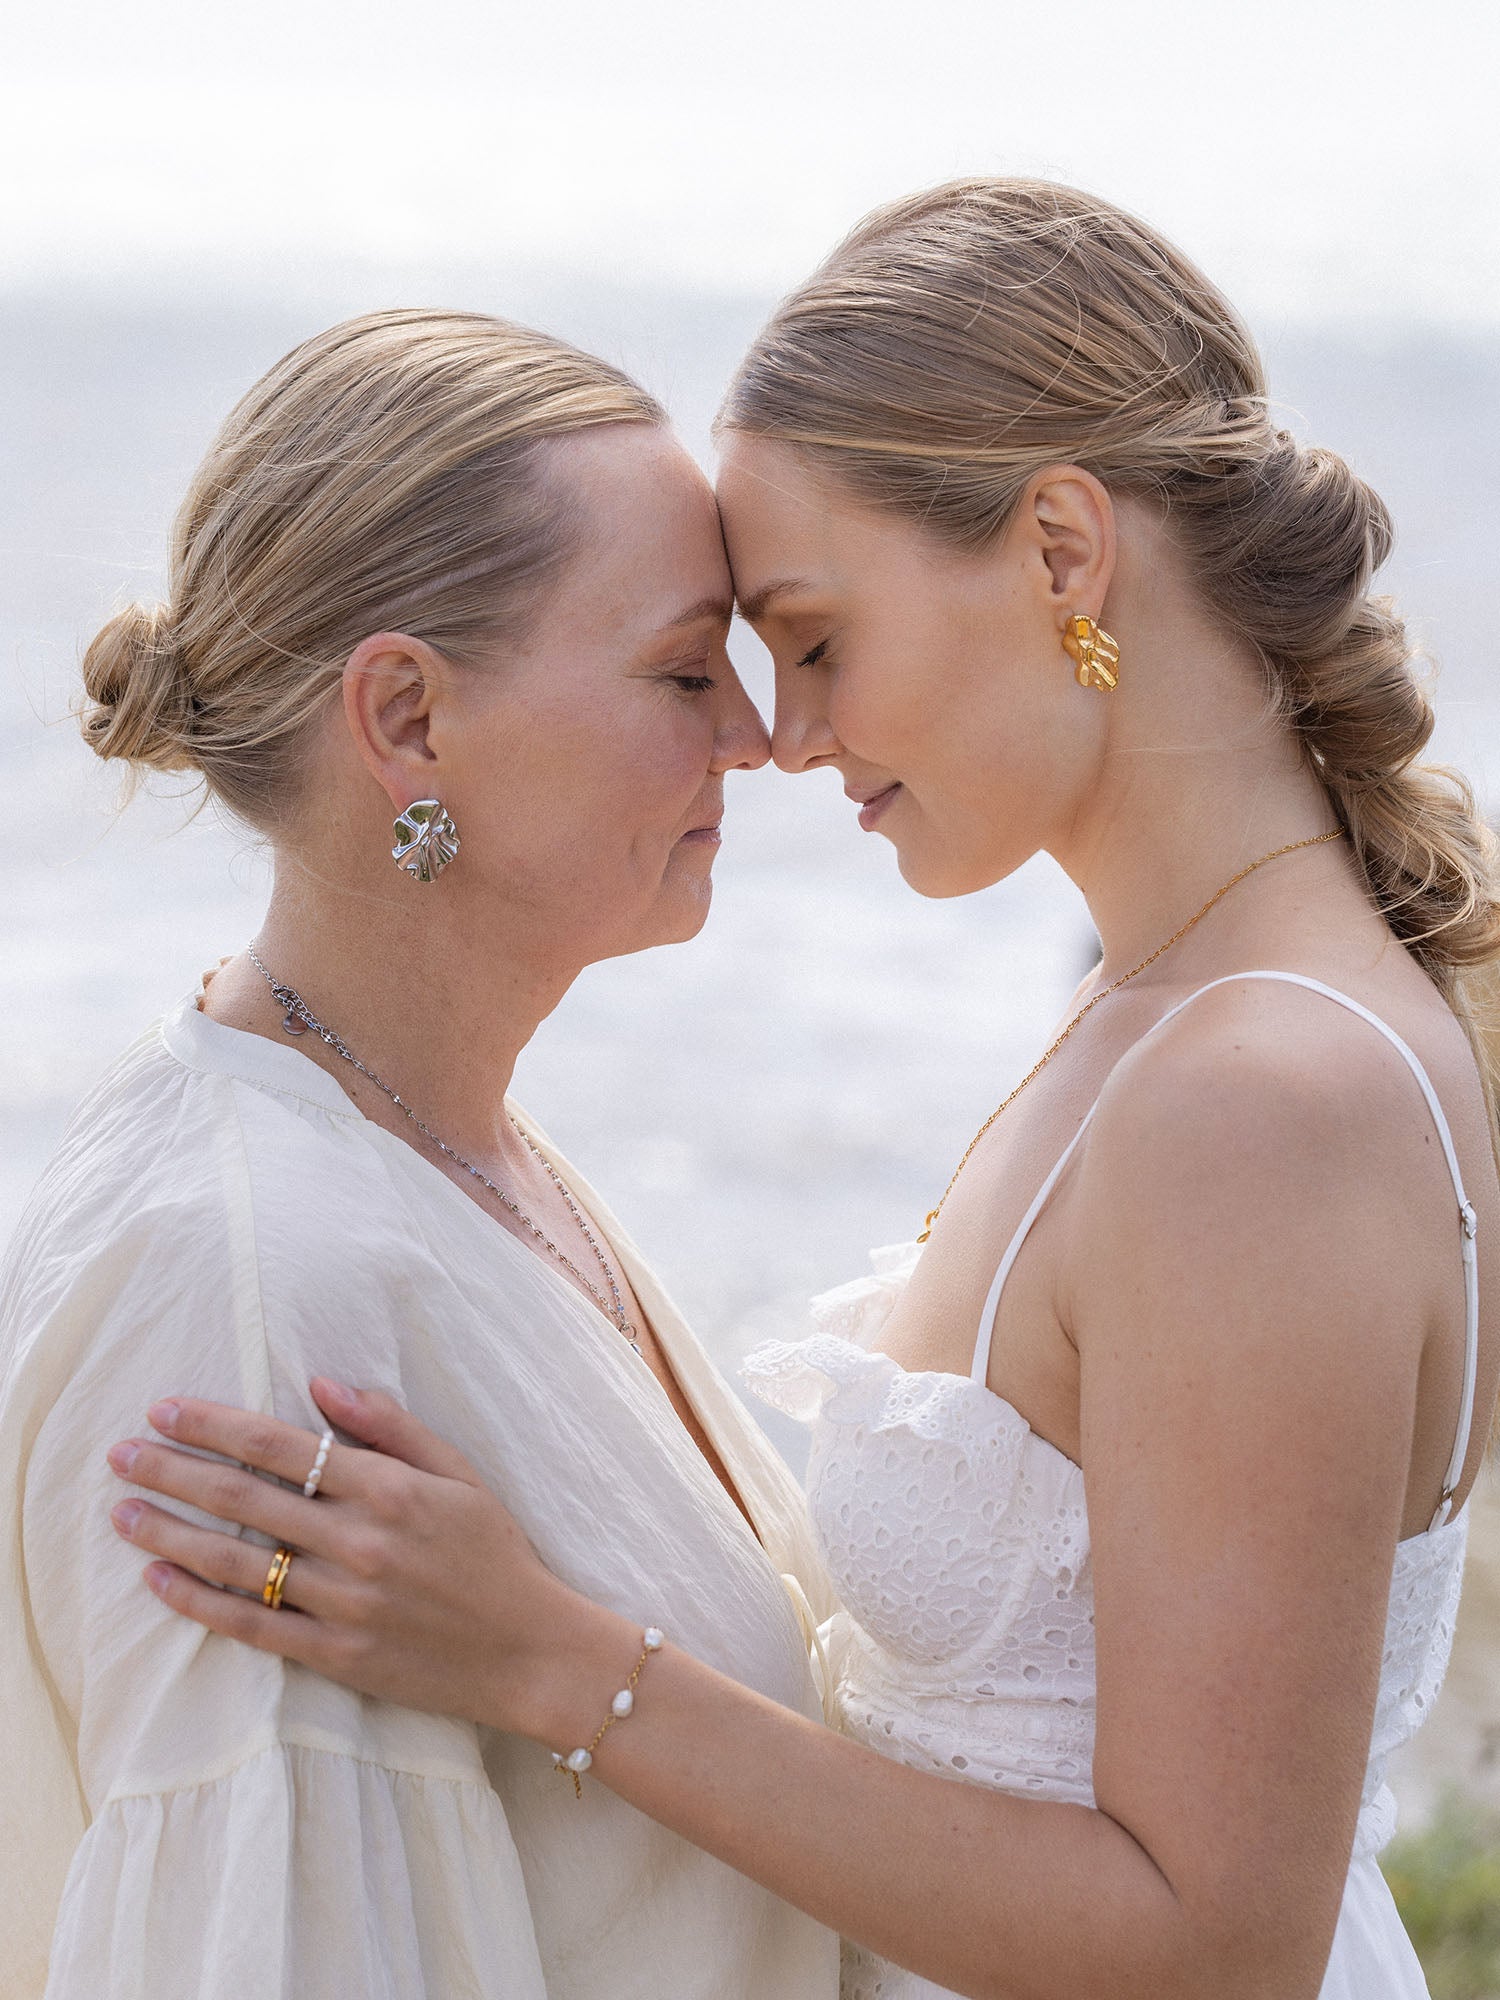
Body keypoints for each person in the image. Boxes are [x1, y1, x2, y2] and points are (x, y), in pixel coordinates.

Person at [101, 181, 1500, 2000]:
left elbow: (1216, 1946)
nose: (785, 733)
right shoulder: (1172, 1014)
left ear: (1061, 554)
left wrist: (552, 1663)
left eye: (814, 638)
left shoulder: (1263, 1096)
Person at [0, 307, 842, 1999]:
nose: (754, 736)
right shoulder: (250, 1295)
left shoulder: (455, 1152)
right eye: (686, 671)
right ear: (406, 719)